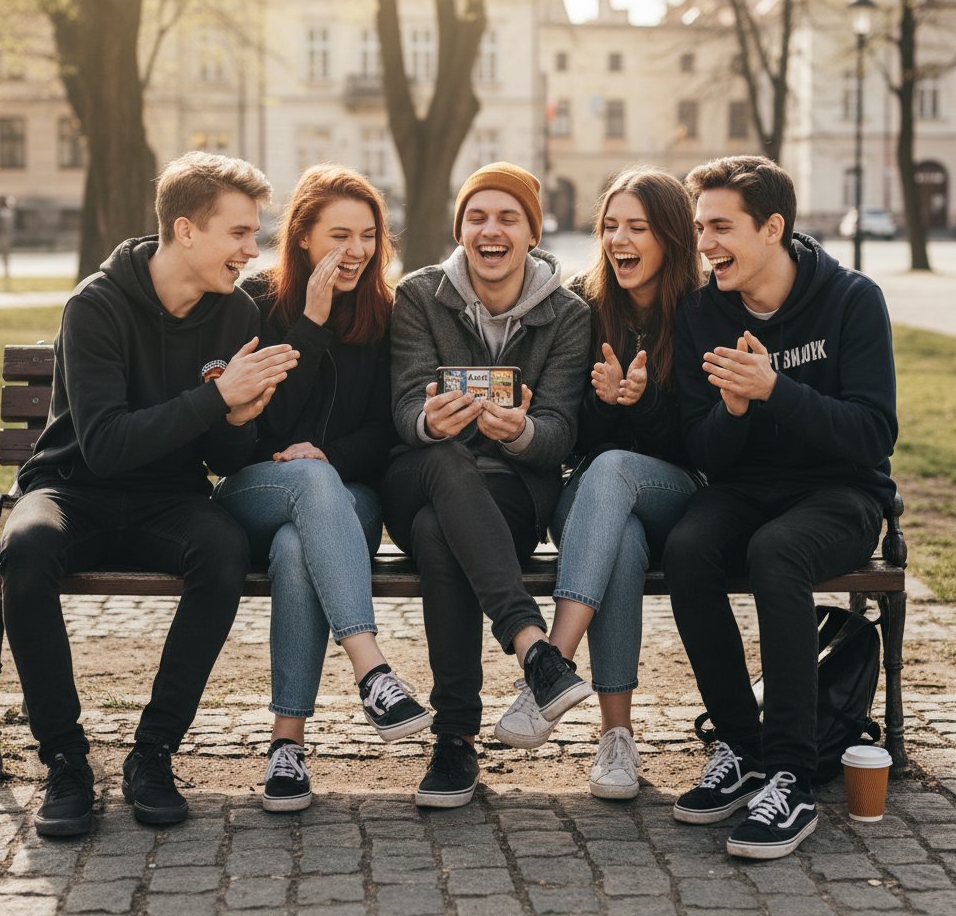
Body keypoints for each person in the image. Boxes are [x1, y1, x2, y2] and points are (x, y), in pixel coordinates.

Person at [0, 152, 299, 836]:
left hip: (170, 498)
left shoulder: (235, 311)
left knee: (223, 549)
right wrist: (215, 398)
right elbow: (104, 445)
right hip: (75, 489)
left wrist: (238, 422)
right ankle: (67, 761)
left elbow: (221, 457)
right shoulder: (95, 306)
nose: (253, 252)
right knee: (26, 547)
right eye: (240, 234)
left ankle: (153, 754)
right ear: (186, 231)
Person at [664, 155, 898, 859]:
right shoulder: (703, 313)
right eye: (701, 227)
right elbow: (705, 451)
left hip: (843, 492)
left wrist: (775, 391)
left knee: (778, 552)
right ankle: (740, 746)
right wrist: (733, 410)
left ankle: (792, 775)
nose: (705, 243)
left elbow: (873, 432)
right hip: (745, 489)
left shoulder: (852, 299)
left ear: (773, 228)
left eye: (721, 227)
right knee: (686, 547)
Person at [214, 164, 430, 813]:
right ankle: (372, 668)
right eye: (341, 234)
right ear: (304, 237)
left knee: (293, 549)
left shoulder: (385, 315)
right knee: (299, 487)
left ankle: (287, 747)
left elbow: (387, 432)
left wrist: (326, 455)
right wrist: (307, 325)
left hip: (348, 500)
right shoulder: (252, 303)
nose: (357, 250)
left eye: (368, 235)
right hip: (254, 489)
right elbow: (253, 436)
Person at [382, 161, 591, 809]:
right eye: (477, 216)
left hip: (511, 495)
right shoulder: (420, 295)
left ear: (533, 230)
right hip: (419, 473)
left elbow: (559, 432)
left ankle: (453, 741)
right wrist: (428, 419)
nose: (490, 230)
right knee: (445, 465)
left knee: (438, 535)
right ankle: (535, 648)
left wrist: (521, 431)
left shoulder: (568, 315)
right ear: (460, 227)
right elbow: (404, 406)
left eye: (508, 217)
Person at [494, 167, 704, 800]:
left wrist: (641, 403)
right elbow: (573, 434)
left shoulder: (698, 311)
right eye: (610, 226)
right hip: (590, 501)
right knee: (623, 540)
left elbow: (700, 439)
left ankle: (549, 667)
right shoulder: (586, 305)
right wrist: (605, 405)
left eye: (637, 227)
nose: (620, 240)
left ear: (670, 237)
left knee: (618, 475)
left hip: (680, 492)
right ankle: (617, 739)